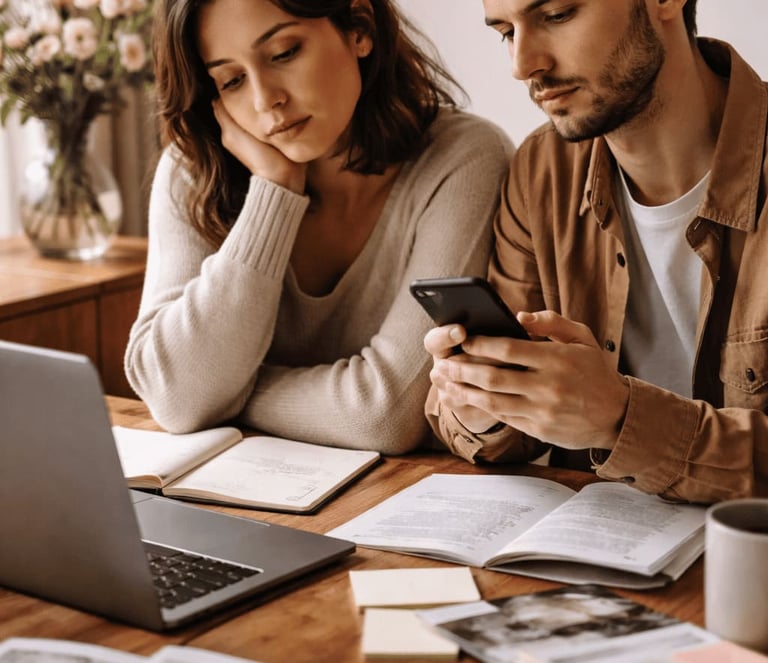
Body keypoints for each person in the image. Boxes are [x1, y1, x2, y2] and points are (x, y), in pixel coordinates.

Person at [124, 0, 512, 454]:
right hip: (244, 502)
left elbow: (385, 415)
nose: (265, 99)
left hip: (404, 502)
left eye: (284, 53)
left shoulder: (464, 159)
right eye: (231, 80)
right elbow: (175, 400)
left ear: (359, 29)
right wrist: (274, 190)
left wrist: (225, 394)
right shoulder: (194, 171)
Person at [425, 0, 768, 503]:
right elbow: (492, 430)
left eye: (558, 14)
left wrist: (622, 419)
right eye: (505, 32)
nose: (523, 65)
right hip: (589, 557)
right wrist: (482, 402)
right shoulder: (542, 170)